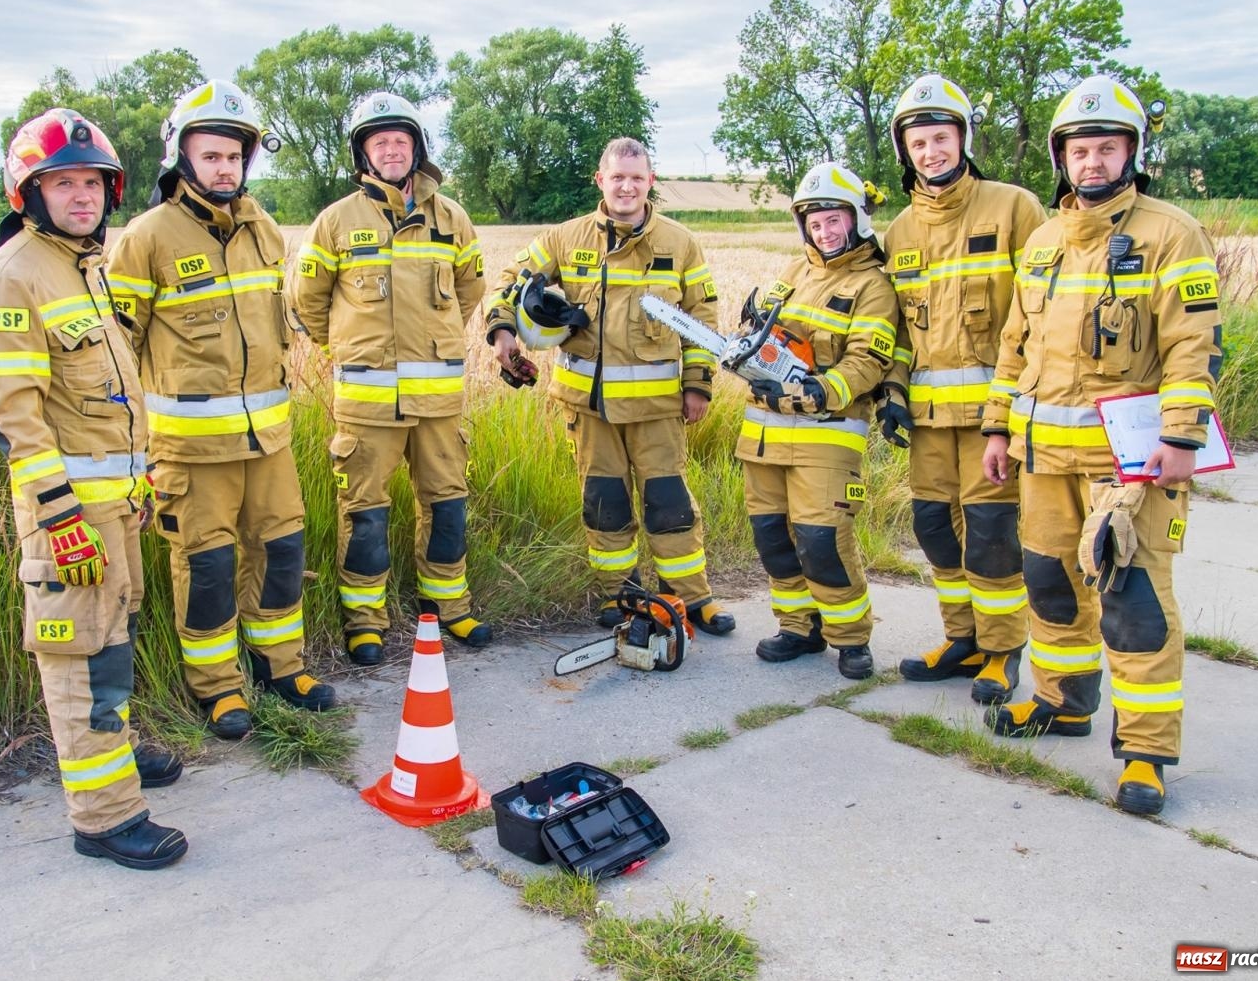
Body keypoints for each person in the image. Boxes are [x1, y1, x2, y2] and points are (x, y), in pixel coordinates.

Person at [981, 75, 1220, 815]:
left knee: (1132, 602)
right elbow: (1016, 344)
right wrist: (998, 426)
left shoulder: (1171, 233)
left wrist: (1182, 435)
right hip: (1042, 458)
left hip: (1131, 464)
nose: (1093, 161)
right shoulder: (1045, 241)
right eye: (1080, 150)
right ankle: (1063, 702)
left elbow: (1193, 346)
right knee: (1050, 584)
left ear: (1131, 153)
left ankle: (1146, 751)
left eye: (1107, 148)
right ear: (1062, 157)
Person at [0, 109, 186, 869]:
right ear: (30, 193)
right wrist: (60, 517)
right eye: (63, 183)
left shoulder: (83, 266)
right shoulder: (14, 275)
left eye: (92, 182)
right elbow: (15, 418)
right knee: (81, 658)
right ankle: (103, 817)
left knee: (116, 637)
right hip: (68, 514)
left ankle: (117, 750)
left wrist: (139, 477)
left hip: (114, 505)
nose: (82, 195)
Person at [106, 79, 333, 738]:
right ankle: (218, 688)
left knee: (281, 551)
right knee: (206, 567)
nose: (224, 168)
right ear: (182, 157)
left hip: (269, 442)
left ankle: (280, 667)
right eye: (210, 156)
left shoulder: (263, 228)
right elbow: (118, 353)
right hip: (191, 451)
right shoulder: (146, 238)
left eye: (234, 156)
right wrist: (129, 448)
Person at [488, 138, 736, 637]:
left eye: (636, 178)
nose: (627, 187)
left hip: (657, 408)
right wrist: (502, 330)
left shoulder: (680, 243)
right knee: (605, 505)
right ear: (600, 180)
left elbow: (702, 319)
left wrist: (698, 385)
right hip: (589, 408)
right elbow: (510, 281)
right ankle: (620, 594)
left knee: (670, 505)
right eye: (617, 177)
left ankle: (691, 597)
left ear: (650, 182)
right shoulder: (564, 238)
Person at [291, 92, 491, 663]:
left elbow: (470, 291)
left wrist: (434, 341)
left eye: (400, 140)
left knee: (447, 505)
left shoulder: (451, 218)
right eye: (379, 142)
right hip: (367, 402)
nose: (391, 150)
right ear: (364, 153)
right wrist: (348, 349)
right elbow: (307, 301)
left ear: (417, 147)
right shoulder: (336, 221)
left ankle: (448, 605)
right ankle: (365, 621)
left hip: (439, 402)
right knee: (365, 513)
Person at [883, 74, 1047, 704]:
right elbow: (897, 329)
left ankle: (1002, 649)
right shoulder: (900, 231)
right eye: (919, 143)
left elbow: (1040, 317)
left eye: (941, 138)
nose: (931, 152)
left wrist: (1012, 414)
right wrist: (893, 392)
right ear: (906, 151)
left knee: (991, 536)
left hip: (992, 421)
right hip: (929, 423)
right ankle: (964, 639)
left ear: (963, 139)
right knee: (934, 529)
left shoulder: (1014, 209)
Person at [741, 163, 900, 679]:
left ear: (856, 219)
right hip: (764, 434)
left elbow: (867, 361)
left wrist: (820, 389)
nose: (825, 231)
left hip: (827, 435)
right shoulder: (792, 274)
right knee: (773, 538)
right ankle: (797, 627)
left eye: (834, 220)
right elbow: (765, 336)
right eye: (815, 223)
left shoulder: (872, 286)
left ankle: (850, 638)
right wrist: (748, 338)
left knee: (822, 540)